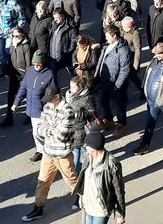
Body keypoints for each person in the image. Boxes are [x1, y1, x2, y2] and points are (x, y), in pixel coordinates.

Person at [23, 90, 79, 221]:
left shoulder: (68, 110)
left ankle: (82, 197)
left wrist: (49, 131)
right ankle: (38, 207)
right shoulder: (48, 106)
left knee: (71, 179)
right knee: (42, 181)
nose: (47, 101)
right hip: (48, 152)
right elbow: (38, 129)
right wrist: (52, 130)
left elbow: (63, 136)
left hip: (62, 154)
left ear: (57, 96)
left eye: (49, 98)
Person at [13, 50, 59, 161]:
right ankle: (41, 151)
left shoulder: (49, 74)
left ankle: (47, 151)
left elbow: (52, 93)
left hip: (43, 110)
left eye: (38, 64)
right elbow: (23, 88)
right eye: (34, 64)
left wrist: (43, 103)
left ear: (43, 63)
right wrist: (16, 102)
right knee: (36, 133)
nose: (36, 66)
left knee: (42, 132)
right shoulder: (29, 71)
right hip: (31, 109)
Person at [74, 131, 126, 224]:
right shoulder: (87, 157)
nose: (85, 146)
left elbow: (119, 190)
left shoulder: (111, 164)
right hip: (88, 205)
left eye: (86, 145)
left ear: (93, 148)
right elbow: (84, 181)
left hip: (100, 209)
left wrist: (120, 214)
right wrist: (81, 197)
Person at [95, 25, 131, 136]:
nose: (106, 38)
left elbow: (125, 70)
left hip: (115, 84)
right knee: (102, 101)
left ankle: (121, 125)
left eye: (107, 36)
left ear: (114, 35)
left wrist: (117, 85)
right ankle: (109, 119)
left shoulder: (123, 50)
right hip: (104, 80)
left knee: (119, 105)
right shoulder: (107, 46)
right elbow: (101, 62)